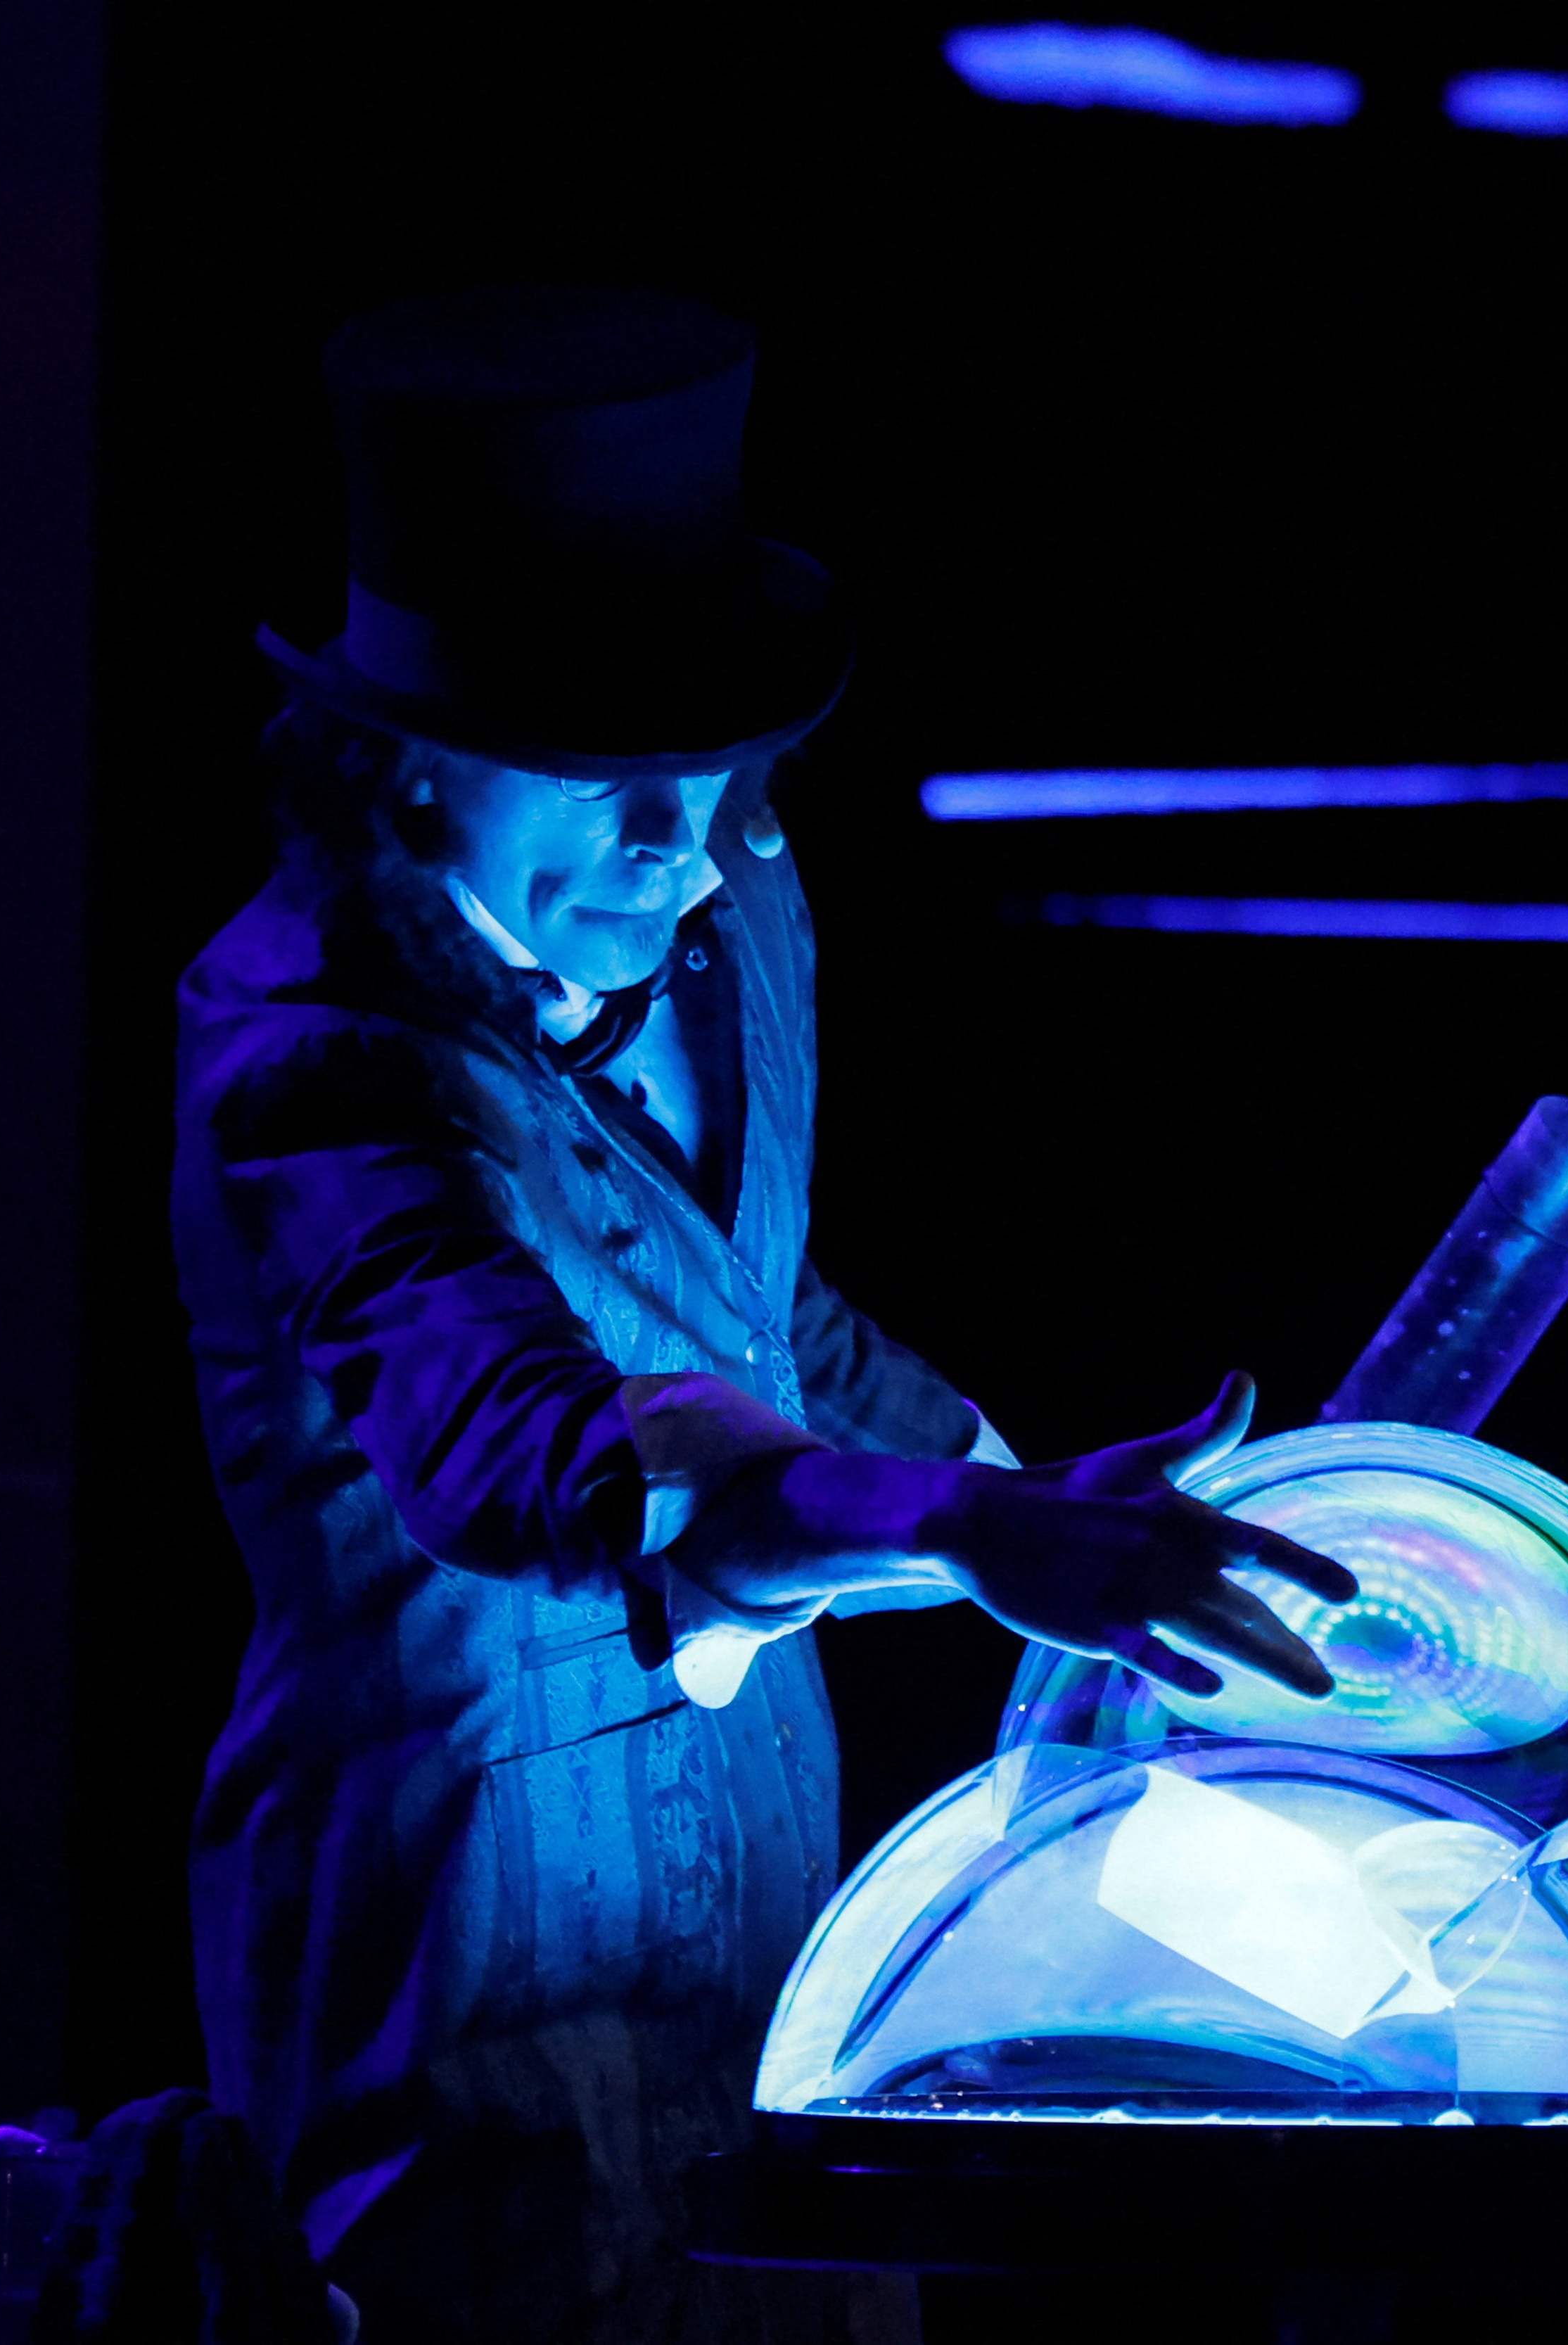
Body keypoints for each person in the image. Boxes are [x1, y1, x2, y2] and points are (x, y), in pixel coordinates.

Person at [171, 285, 1353, 2344]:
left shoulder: (735, 907)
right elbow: (542, 1448)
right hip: (462, 1982)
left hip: (774, 1957)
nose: (690, 853)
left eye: (726, 775)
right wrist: (974, 1537)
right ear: (403, 766)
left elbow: (740, 1308)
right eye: (614, 777)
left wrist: (1017, 1492)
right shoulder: (316, 1051)